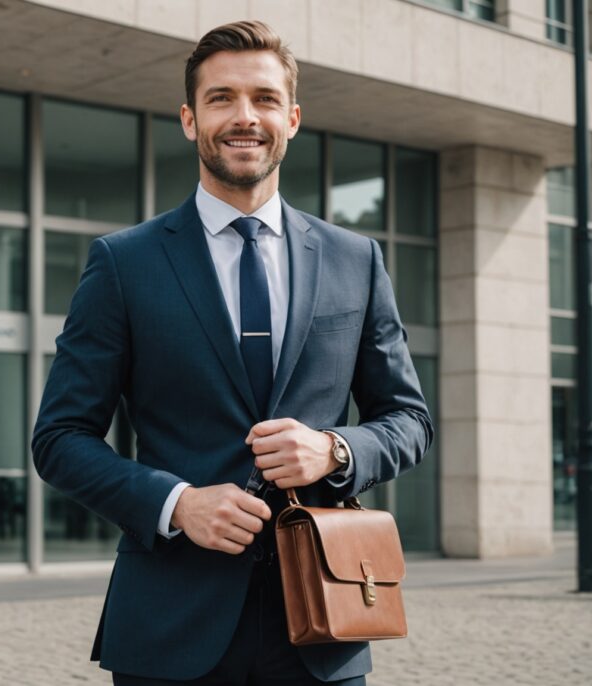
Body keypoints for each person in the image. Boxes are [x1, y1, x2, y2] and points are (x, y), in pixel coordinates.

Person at [32, 20, 433, 685]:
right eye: (221, 99)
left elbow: (409, 420)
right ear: (190, 120)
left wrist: (336, 452)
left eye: (264, 99)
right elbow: (60, 438)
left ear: (293, 118)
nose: (244, 117)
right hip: (169, 630)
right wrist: (175, 503)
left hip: (325, 624)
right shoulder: (123, 264)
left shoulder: (355, 260)